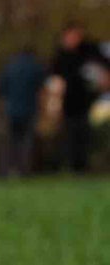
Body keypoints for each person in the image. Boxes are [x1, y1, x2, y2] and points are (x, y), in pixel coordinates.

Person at [48, 24, 109, 172]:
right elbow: (54, 77)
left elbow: (104, 66)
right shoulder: (61, 55)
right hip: (69, 101)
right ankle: (72, 165)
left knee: (84, 131)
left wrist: (104, 79)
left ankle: (82, 165)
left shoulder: (90, 50)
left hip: (88, 99)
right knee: (70, 132)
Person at [0, 45, 46, 174]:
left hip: (11, 109)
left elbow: (2, 88)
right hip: (29, 109)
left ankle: (7, 169)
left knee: (10, 141)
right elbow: (42, 87)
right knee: (26, 141)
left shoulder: (9, 67)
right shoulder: (36, 68)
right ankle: (23, 170)